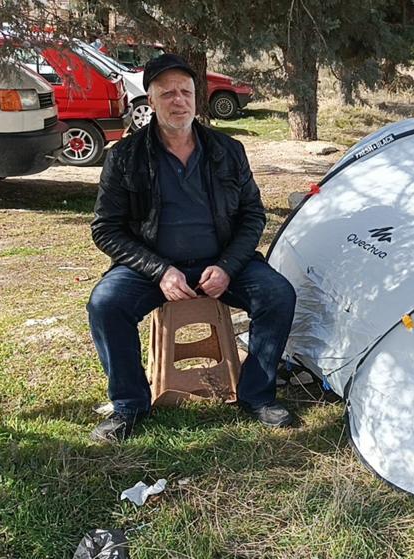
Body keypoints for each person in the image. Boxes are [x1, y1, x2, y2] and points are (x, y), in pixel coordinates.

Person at [87, 54, 296, 443]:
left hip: (220, 261)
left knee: (278, 294)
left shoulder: (227, 150)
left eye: (185, 92)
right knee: (106, 304)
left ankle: (257, 394)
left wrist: (229, 266)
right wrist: (159, 271)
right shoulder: (124, 156)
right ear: (150, 100)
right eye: (167, 93)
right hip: (152, 267)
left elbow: (253, 216)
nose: (178, 100)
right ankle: (129, 404)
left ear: (196, 97)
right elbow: (106, 229)